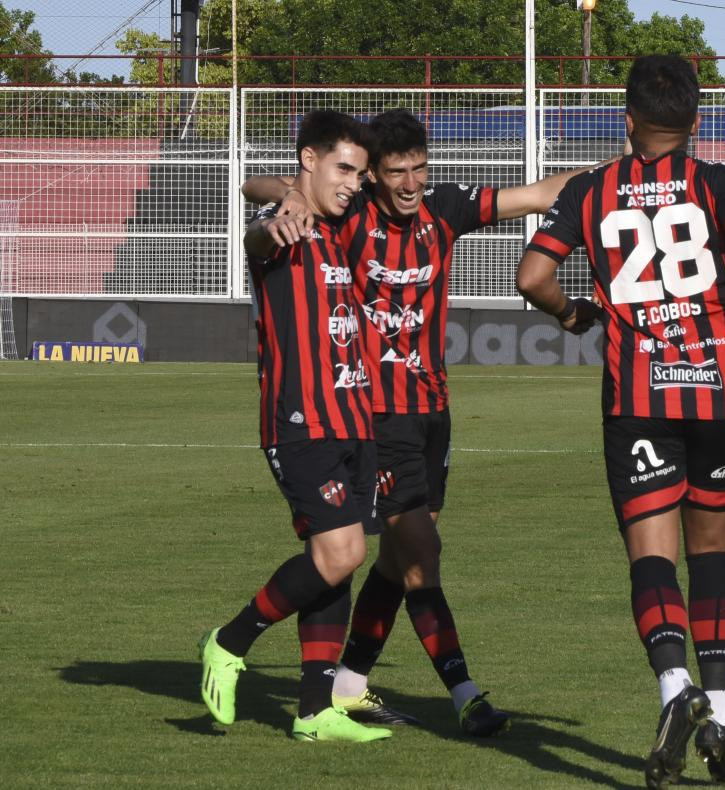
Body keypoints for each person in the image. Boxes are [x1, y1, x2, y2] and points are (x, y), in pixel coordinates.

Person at [243, 108, 611, 737]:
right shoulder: (350, 212)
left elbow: (545, 193)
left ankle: (350, 682)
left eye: (419, 169)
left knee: (398, 558)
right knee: (420, 554)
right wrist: (284, 198)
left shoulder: (444, 209)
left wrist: (624, 175)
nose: (410, 184)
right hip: (371, 413)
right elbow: (259, 186)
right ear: (374, 177)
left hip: (433, 410)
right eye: (396, 173)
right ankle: (465, 693)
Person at [516, 55, 725, 788]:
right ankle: (722, 712)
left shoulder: (591, 191)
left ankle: (675, 691)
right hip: (716, 390)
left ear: (627, 120)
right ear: (695, 122)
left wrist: (571, 313)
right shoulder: (716, 181)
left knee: (651, 555)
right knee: (710, 550)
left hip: (637, 397)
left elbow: (532, 276)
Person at [198, 110, 390, 743]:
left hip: (355, 419)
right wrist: (280, 203)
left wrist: (291, 191)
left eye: (360, 174)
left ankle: (313, 711)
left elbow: (272, 180)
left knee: (334, 562)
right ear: (309, 159)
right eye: (343, 169)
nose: (353, 183)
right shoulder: (281, 229)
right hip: (301, 421)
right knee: (344, 552)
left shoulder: (344, 226)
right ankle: (229, 642)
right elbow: (255, 198)